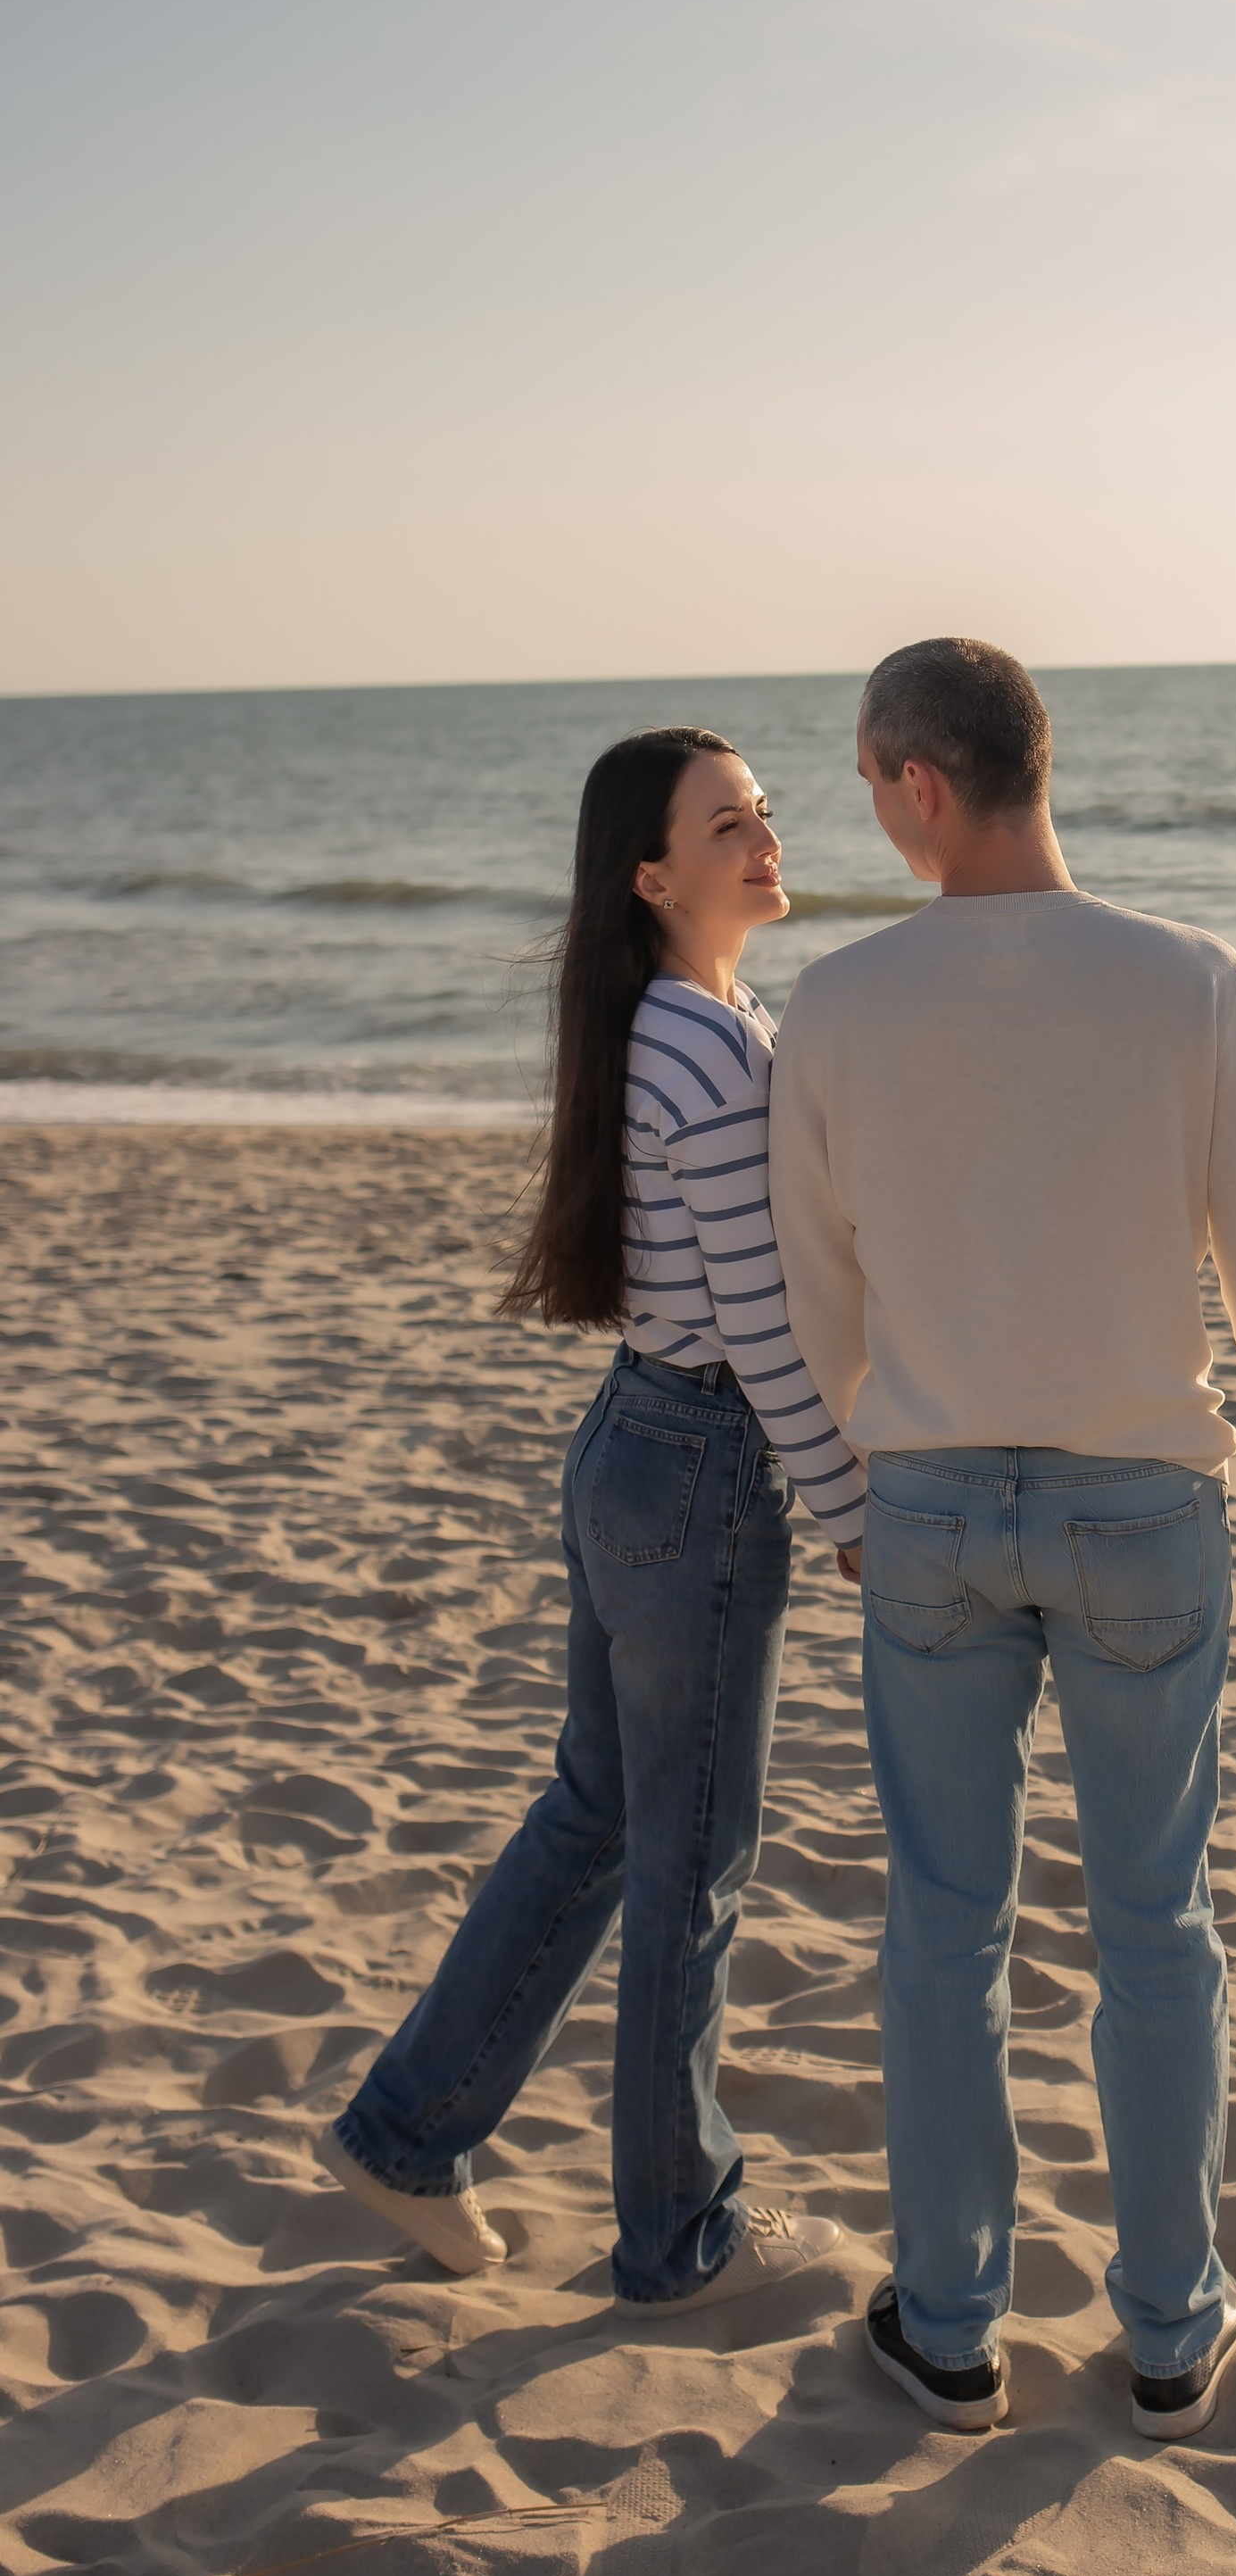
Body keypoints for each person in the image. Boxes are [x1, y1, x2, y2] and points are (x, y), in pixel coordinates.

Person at [769, 638, 1236, 2440]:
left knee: (942, 1927)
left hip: (935, 1505)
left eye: (871, 782)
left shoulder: (842, 1003)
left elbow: (818, 1289)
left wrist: (862, 1479)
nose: (868, 812)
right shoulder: (1188, 982)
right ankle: (1171, 2329)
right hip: (1138, 1505)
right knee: (1155, 1922)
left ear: (921, 783)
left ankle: (948, 2327)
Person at [319, 727, 863, 2314]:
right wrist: (843, 1504)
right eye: (724, 824)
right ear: (650, 873)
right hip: (697, 1467)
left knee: (600, 1821)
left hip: (635, 1443)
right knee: (686, 1866)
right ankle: (679, 2233)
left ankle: (411, 2132)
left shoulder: (687, 1022)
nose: (763, 837)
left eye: (763, 811)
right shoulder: (706, 1045)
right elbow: (762, 1321)